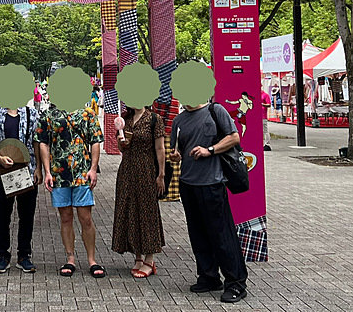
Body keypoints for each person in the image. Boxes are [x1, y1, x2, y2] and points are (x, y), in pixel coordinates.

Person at [170, 102, 248, 304]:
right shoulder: (178, 120)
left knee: (222, 235)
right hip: (187, 183)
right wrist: (175, 156)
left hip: (212, 183)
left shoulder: (215, 110)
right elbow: (178, 151)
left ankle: (236, 283)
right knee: (197, 234)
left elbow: (234, 137)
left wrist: (210, 150)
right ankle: (208, 277)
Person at [36, 103, 105, 279]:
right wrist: (47, 171)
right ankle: (70, 258)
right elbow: (43, 143)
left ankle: (92, 260)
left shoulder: (87, 113)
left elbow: (95, 141)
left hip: (82, 173)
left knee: (86, 218)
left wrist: (93, 168)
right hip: (59, 174)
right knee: (65, 217)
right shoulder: (48, 114)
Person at [0, 103, 41, 274]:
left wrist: (39, 168)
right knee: (2, 215)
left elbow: (37, 142)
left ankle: (24, 256)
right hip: (2, 171)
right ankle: (2, 256)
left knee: (26, 216)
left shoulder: (31, 114)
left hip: (26, 170)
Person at [111, 104, 165, 279]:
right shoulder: (125, 119)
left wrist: (161, 174)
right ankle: (138, 257)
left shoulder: (154, 119)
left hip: (146, 170)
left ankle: (150, 259)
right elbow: (122, 149)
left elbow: (160, 148)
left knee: (147, 212)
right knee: (130, 212)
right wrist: (121, 142)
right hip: (127, 171)